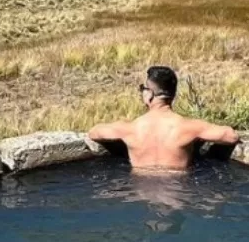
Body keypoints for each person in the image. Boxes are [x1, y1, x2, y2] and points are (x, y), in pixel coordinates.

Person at [87, 66, 240, 171]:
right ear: (172, 94)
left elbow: (94, 132)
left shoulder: (129, 128)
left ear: (149, 94)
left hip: (139, 193)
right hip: (178, 194)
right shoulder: (189, 127)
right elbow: (230, 136)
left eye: (143, 89)